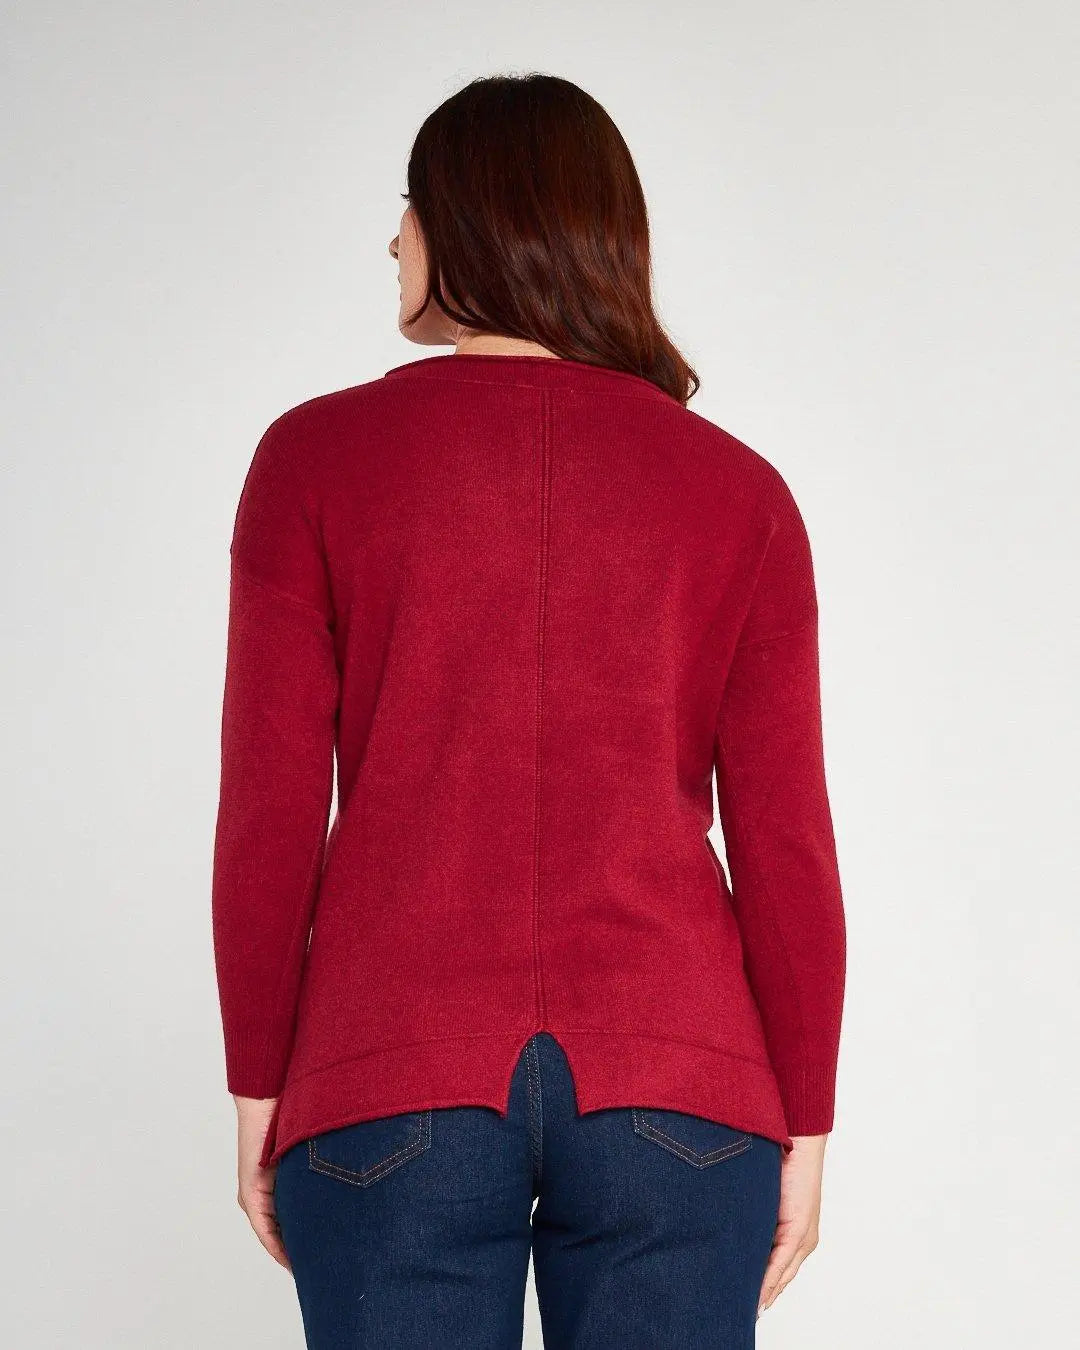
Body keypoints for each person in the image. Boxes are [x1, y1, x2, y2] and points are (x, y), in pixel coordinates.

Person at [212, 72, 847, 1349]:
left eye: (410, 207)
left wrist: (260, 1087)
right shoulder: (741, 494)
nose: (393, 240)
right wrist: (807, 1119)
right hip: (682, 1076)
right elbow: (786, 844)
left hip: (391, 1065)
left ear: (470, 220)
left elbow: (269, 814)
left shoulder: (313, 462)